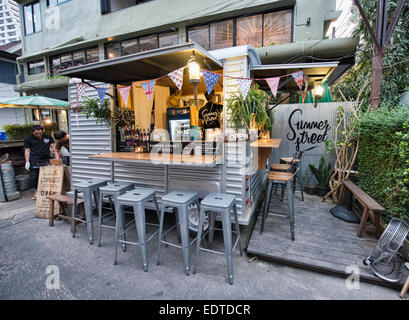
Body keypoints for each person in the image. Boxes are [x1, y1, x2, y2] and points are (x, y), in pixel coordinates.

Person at [24, 125, 59, 200]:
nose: (39, 135)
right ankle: (35, 193)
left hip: (46, 159)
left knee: (48, 175)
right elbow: (27, 150)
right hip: (34, 159)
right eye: (37, 133)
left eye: (40, 133)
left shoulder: (48, 137)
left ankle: (48, 191)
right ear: (33, 132)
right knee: (34, 177)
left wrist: (57, 158)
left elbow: (53, 148)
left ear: (42, 131)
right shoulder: (28, 139)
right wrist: (27, 161)